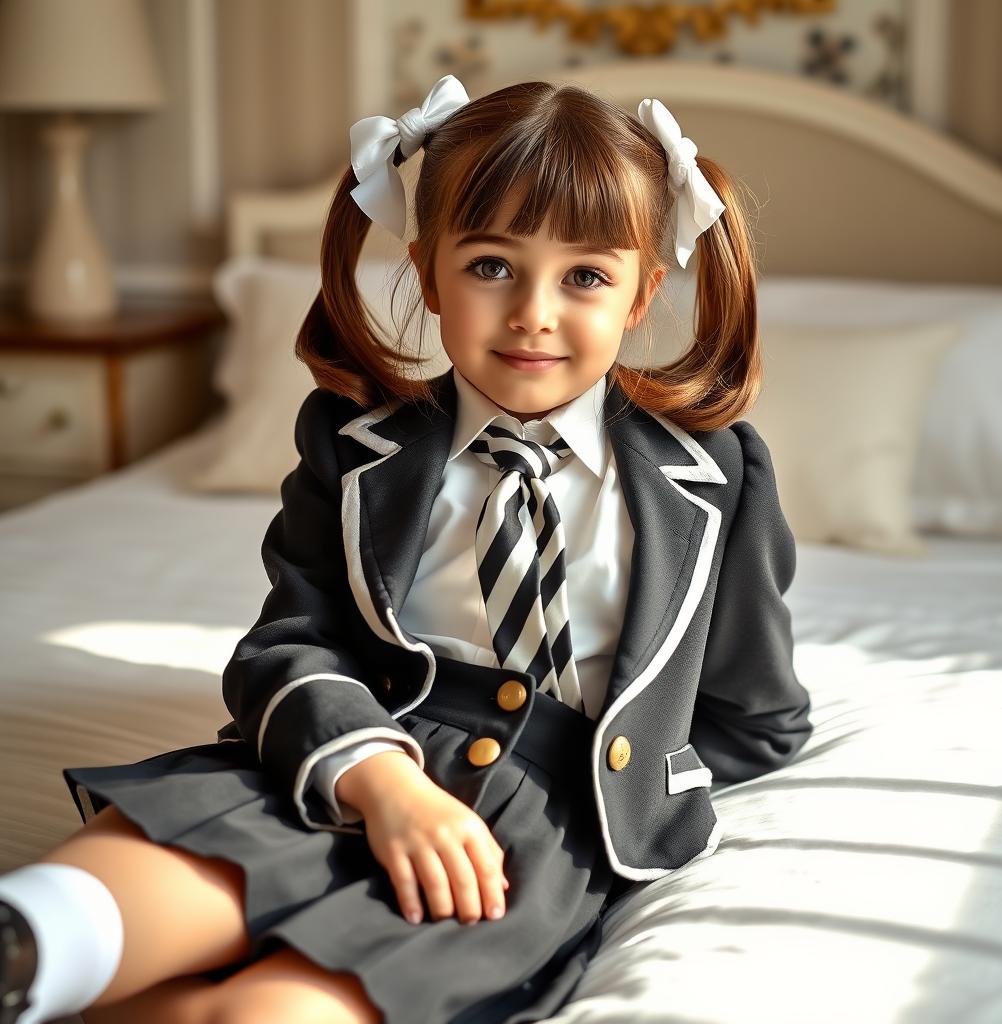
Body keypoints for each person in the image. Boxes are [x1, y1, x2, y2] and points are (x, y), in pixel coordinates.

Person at [0, 73, 813, 1024]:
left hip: (525, 824)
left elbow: (755, 718)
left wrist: (633, 790)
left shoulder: (714, 476)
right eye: (491, 266)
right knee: (61, 919)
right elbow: (282, 648)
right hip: (341, 756)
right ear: (427, 273)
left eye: (585, 275)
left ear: (642, 295)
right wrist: (376, 777)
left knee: (263, 1013)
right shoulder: (353, 445)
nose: (534, 313)